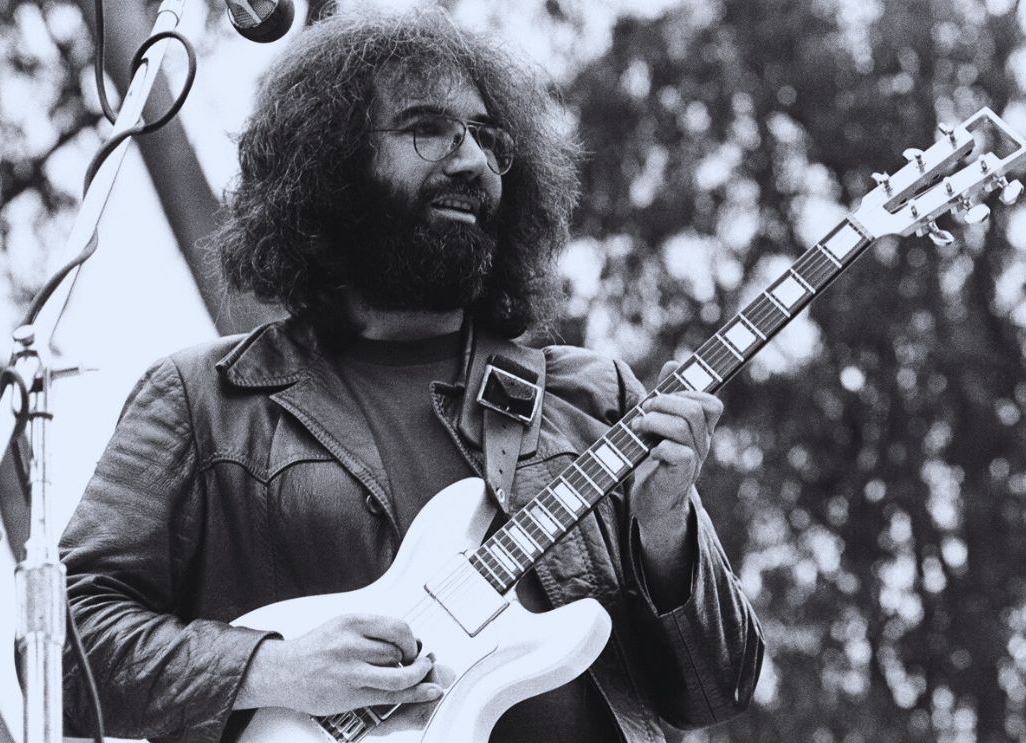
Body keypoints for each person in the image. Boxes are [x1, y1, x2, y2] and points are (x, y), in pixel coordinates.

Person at [60, 9, 763, 743]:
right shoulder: (206, 399)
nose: (472, 162)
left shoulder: (594, 399)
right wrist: (269, 668)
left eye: (489, 138)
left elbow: (721, 685)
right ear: (329, 165)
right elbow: (63, 644)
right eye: (428, 129)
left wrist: (664, 531)